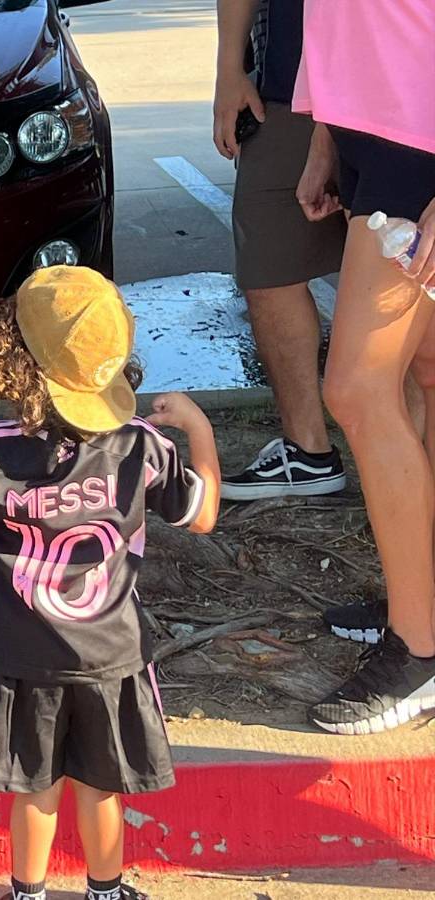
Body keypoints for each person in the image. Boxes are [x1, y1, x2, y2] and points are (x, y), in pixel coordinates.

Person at [0, 267, 221, 900]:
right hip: (109, 657)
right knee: (100, 786)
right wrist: (198, 428)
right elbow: (201, 515)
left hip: (24, 658)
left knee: (35, 786)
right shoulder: (139, 446)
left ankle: (28, 892)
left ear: (16, 357)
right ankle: (105, 890)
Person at [291, 0, 435, 734]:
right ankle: (423, 598)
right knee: (425, 375)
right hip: (370, 123)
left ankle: (420, 650)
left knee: (357, 389)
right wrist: (328, 128)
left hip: (418, 139)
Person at [212, 0, 346, 501]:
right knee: (266, 268)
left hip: (397, 99)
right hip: (287, 89)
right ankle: (308, 453)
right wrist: (229, 69)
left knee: (401, 281)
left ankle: (409, 466)